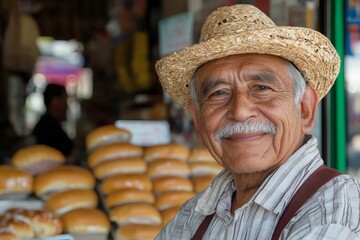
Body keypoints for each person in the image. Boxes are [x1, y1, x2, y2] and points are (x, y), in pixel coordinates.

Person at [154, 4, 360, 240]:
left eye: (262, 88)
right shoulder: (194, 216)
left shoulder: (335, 209)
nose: (240, 111)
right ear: (198, 120)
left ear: (305, 109)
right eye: (219, 93)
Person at [32, 83, 74, 157]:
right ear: (55, 102)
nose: (67, 106)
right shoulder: (47, 128)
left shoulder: (50, 125)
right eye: (65, 100)